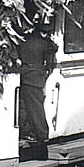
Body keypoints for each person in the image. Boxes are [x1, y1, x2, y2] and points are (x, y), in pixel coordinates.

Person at [17, 22, 57, 152]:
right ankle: (42, 134)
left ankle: (26, 131)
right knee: (36, 108)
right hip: (35, 79)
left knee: (23, 107)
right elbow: (54, 48)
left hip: (23, 77)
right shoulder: (44, 43)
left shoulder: (24, 41)